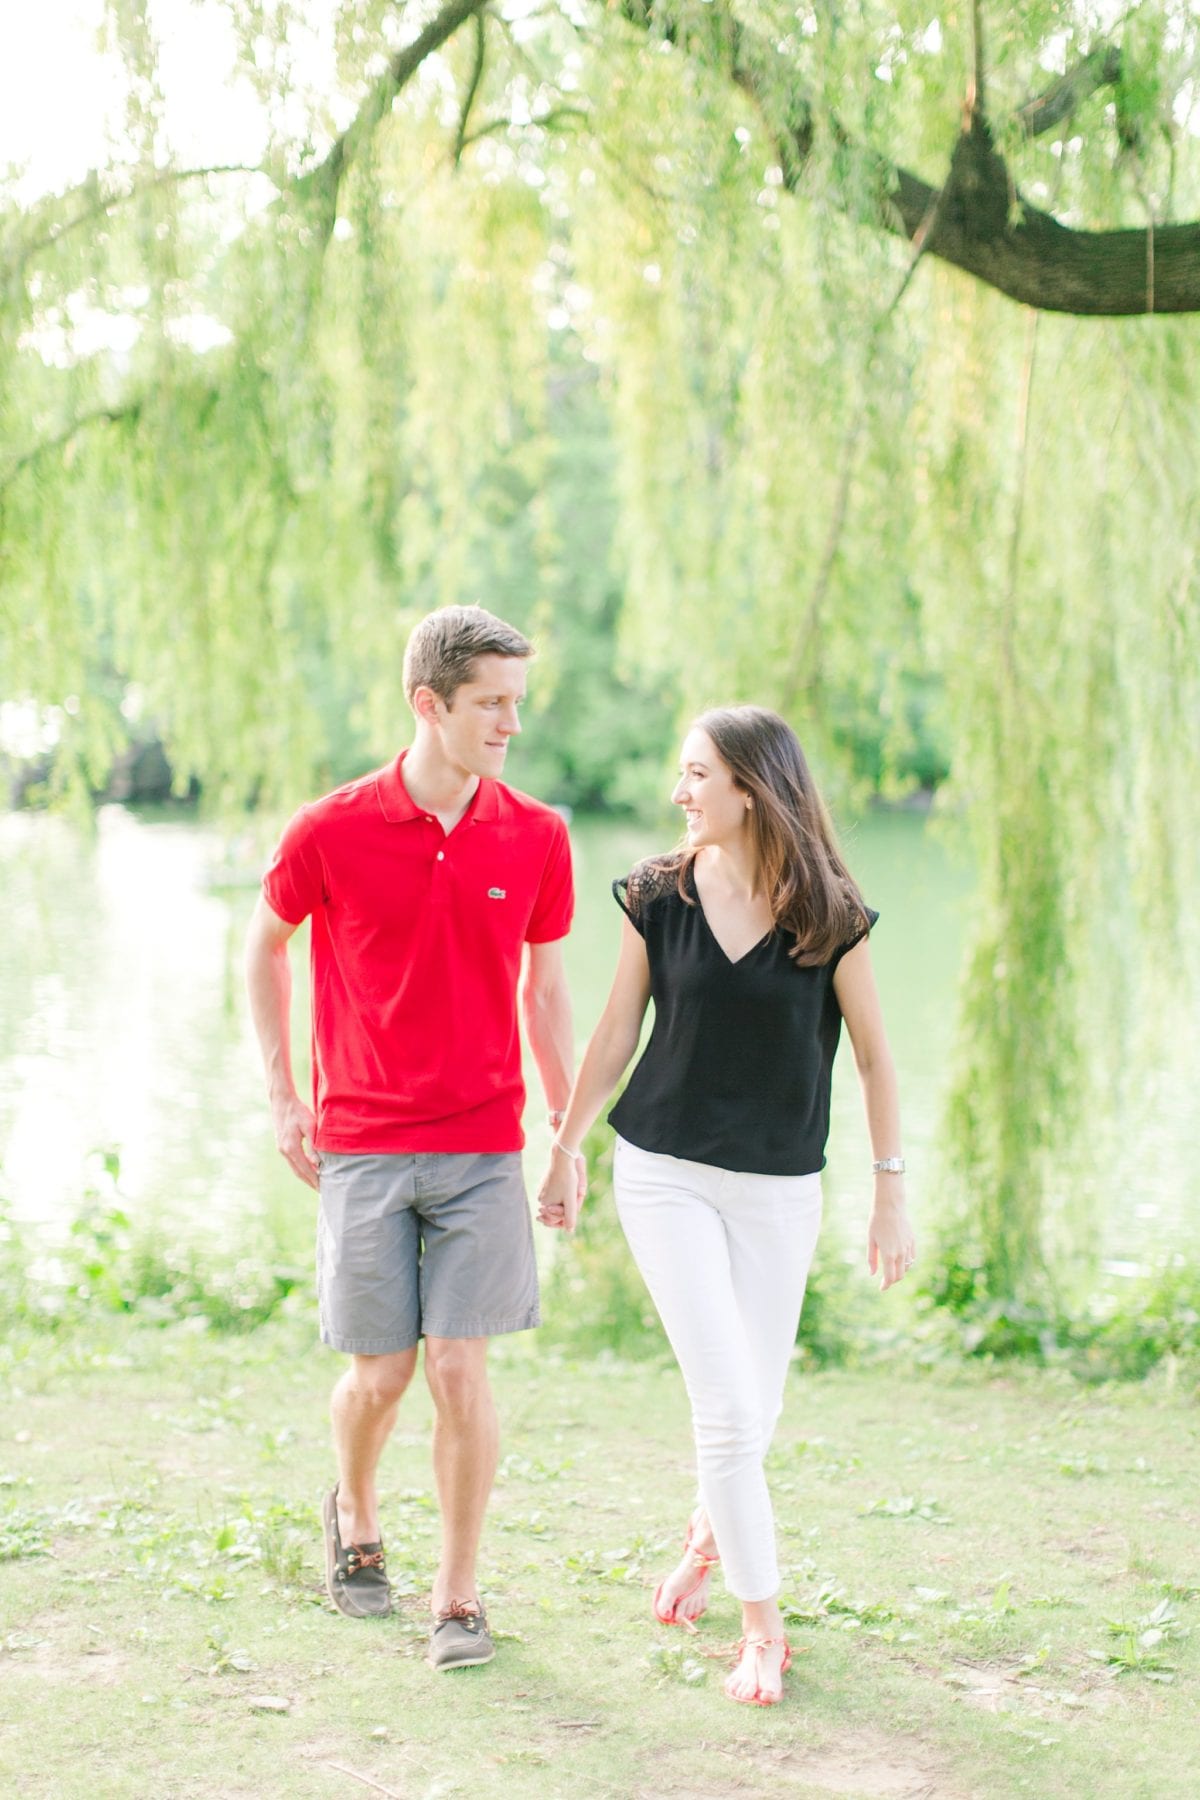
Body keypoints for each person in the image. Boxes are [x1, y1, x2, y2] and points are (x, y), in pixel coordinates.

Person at [537, 705, 915, 1707]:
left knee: (761, 1408)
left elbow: (876, 1058)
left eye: (697, 773)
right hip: (664, 1173)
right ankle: (762, 1629)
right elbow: (617, 1029)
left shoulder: (831, 912)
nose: (680, 791)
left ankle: (707, 1544)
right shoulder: (658, 894)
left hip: (782, 1190)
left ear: (750, 787)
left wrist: (889, 1190)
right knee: (727, 1407)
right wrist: (567, 1145)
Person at [245, 604, 578, 1672]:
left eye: (517, 704)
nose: (509, 725)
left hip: (485, 1145)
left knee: (461, 1373)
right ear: (428, 705)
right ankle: (352, 1510)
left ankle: (458, 1596)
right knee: (380, 1376)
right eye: (490, 704)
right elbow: (264, 951)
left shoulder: (537, 835)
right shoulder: (330, 828)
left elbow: (547, 993)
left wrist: (566, 1133)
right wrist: (284, 1095)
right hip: (365, 1145)